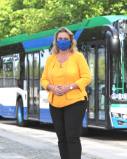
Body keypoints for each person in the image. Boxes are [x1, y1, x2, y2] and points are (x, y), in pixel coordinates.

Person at [40, 27, 91, 159]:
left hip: (76, 101)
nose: (62, 41)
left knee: (72, 137)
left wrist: (69, 87)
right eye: (60, 39)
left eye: (66, 39)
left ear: (71, 41)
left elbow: (86, 77)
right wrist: (52, 87)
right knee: (61, 138)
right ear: (56, 41)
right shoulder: (50, 59)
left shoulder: (78, 57)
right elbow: (43, 79)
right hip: (55, 102)